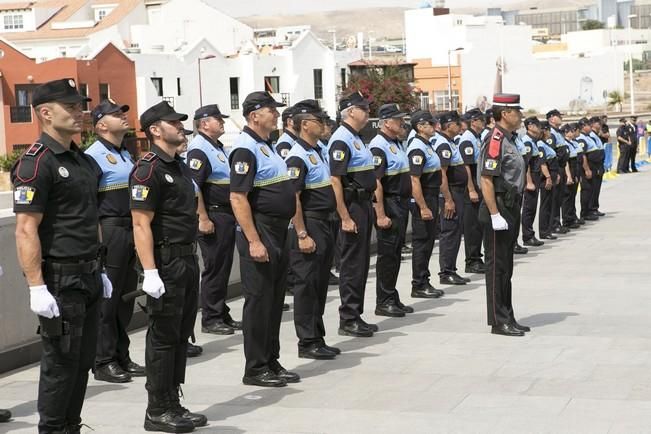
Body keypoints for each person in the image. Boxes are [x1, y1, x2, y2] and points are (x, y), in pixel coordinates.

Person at [12, 78, 111, 433]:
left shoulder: (82, 162)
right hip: (60, 278)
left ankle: (71, 425)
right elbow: (25, 229)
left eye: (79, 106)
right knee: (60, 364)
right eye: (70, 107)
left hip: (87, 274)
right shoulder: (36, 164)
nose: (79, 113)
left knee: (83, 361)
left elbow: (89, 217)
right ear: (45, 112)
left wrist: (99, 267)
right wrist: (36, 287)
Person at [130, 101, 207, 432]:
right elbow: (140, 224)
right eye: (173, 122)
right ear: (155, 130)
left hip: (187, 258)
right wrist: (149, 271)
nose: (180, 126)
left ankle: (172, 401)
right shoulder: (147, 169)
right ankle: (157, 408)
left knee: (180, 336)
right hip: (166, 261)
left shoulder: (180, 165)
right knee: (162, 336)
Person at [229, 91, 300, 387]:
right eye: (271, 109)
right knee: (259, 302)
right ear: (254, 115)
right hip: (260, 231)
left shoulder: (266, 145)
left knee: (273, 301)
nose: (276, 113)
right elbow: (237, 196)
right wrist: (254, 240)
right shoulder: (245, 148)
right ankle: (256, 367)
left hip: (278, 230)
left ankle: (271, 360)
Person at [85, 99, 145, 383]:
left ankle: (122, 354)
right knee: (108, 299)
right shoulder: (94, 155)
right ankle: (103, 359)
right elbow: (90, 204)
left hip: (130, 228)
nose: (123, 116)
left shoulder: (124, 153)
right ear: (100, 125)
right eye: (115, 114)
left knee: (125, 298)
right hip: (111, 230)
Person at [285, 100, 341, 359]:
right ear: (305, 124)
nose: (324, 126)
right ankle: (307, 341)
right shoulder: (296, 155)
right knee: (307, 285)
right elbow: (294, 197)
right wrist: (302, 234)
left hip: (325, 222)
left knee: (318, 284)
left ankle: (317, 336)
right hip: (310, 223)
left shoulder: (317, 150)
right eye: (319, 121)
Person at [186, 104, 242, 336]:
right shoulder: (199, 149)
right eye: (217, 119)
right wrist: (203, 217)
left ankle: (221, 311)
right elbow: (194, 186)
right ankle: (211, 317)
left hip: (225, 215)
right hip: (214, 214)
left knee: (223, 266)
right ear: (203, 123)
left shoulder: (216, 146)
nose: (222, 122)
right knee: (214, 268)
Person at [476, 93, 529, 337]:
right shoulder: (495, 139)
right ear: (505, 114)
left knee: (506, 267)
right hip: (498, 207)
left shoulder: (510, 139)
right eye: (517, 111)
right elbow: (486, 180)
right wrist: (495, 214)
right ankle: (499, 321)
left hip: (509, 206)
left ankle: (508, 315)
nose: (520, 115)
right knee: (497, 268)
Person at [328, 92, 378, 337]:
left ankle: (355, 313)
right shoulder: (341, 139)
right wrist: (345, 216)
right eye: (363, 108)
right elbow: (335, 180)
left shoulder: (356, 137)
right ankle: (348, 317)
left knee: (361, 263)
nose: (367, 111)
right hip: (352, 206)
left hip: (364, 204)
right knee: (352, 264)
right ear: (350, 111)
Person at [369, 103, 414, 316]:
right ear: (386, 123)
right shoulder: (379, 146)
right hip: (389, 203)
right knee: (387, 255)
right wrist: (380, 214)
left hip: (400, 203)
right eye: (398, 120)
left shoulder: (394, 142)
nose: (402, 123)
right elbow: (376, 182)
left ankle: (391, 295)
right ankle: (383, 300)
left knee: (395, 253)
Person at [406, 110, 444, 299]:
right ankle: (419, 283)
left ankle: (424, 280)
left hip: (431, 196)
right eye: (430, 123)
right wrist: (422, 207)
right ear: (420, 127)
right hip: (424, 198)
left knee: (428, 242)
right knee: (422, 242)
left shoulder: (426, 144)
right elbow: (414, 180)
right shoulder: (417, 148)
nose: (435, 126)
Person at [432, 111, 470, 285]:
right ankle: (446, 271)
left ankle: (451, 269)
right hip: (451, 193)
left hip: (457, 192)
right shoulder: (443, 144)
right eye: (457, 123)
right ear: (448, 125)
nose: (460, 126)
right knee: (450, 232)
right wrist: (448, 199)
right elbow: (442, 174)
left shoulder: (450, 142)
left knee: (455, 232)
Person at [458, 108, 486, 273]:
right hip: (472, 187)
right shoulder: (467, 139)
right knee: (472, 226)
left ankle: (477, 257)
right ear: (473, 121)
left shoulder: (477, 138)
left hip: (479, 184)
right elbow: (467, 167)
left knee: (479, 224)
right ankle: (472, 261)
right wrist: (471, 190)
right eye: (480, 120)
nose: (483, 122)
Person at [521, 116, 546, 247]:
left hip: (536, 177)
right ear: (530, 127)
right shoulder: (527, 142)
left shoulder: (533, 141)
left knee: (533, 207)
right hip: (531, 178)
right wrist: (529, 182)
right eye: (538, 126)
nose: (540, 128)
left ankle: (530, 234)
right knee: (529, 208)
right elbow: (527, 165)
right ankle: (527, 235)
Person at [546, 110, 571, 235]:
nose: (561, 118)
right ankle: (553, 225)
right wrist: (556, 172)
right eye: (558, 116)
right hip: (556, 168)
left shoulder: (558, 132)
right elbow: (551, 154)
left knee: (559, 197)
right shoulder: (550, 133)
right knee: (554, 199)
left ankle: (557, 223)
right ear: (551, 118)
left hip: (561, 166)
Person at [537, 121, 559, 240]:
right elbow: (543, 163)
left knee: (550, 204)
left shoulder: (545, 143)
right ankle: (544, 231)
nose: (550, 133)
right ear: (544, 131)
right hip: (546, 178)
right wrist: (548, 178)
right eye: (548, 130)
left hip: (553, 175)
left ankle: (548, 229)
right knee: (545, 205)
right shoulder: (540, 144)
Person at [576, 117, 599, 222]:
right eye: (589, 125)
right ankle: (585, 213)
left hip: (594, 166)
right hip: (588, 167)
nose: (591, 127)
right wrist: (587, 169)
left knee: (591, 190)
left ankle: (590, 210)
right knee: (586, 190)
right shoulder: (581, 138)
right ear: (583, 126)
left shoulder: (588, 136)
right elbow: (583, 155)